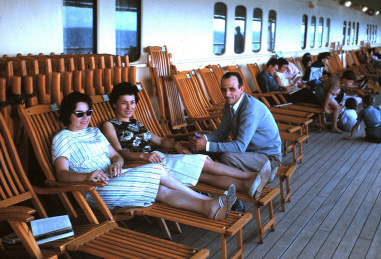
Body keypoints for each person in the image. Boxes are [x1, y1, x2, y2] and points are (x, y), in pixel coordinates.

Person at [52, 92, 236, 220]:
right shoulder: (62, 139)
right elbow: (62, 174)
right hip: (94, 188)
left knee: (161, 191)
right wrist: (86, 176)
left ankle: (210, 208)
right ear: (68, 114)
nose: (86, 117)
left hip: (114, 177)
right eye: (79, 114)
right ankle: (207, 200)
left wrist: (115, 163)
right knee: (157, 170)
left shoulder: (94, 132)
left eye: (89, 112)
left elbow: (117, 156)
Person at [101, 82, 267, 201]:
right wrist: (143, 157)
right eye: (124, 103)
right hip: (142, 165)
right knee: (203, 162)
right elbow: (118, 153)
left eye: (132, 102)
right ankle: (253, 176)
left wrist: (176, 146)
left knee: (204, 175)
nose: (130, 107)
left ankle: (245, 186)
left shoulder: (135, 123)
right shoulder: (109, 125)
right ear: (115, 104)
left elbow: (159, 140)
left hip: (157, 157)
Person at [190, 72, 282, 201]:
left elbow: (239, 146)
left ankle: (253, 183)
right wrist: (204, 139)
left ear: (241, 89)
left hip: (268, 158)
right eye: (224, 89)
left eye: (231, 89)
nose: (227, 94)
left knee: (227, 157)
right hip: (248, 153)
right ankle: (235, 190)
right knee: (208, 151)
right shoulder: (229, 105)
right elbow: (222, 132)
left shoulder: (250, 109)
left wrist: (208, 145)